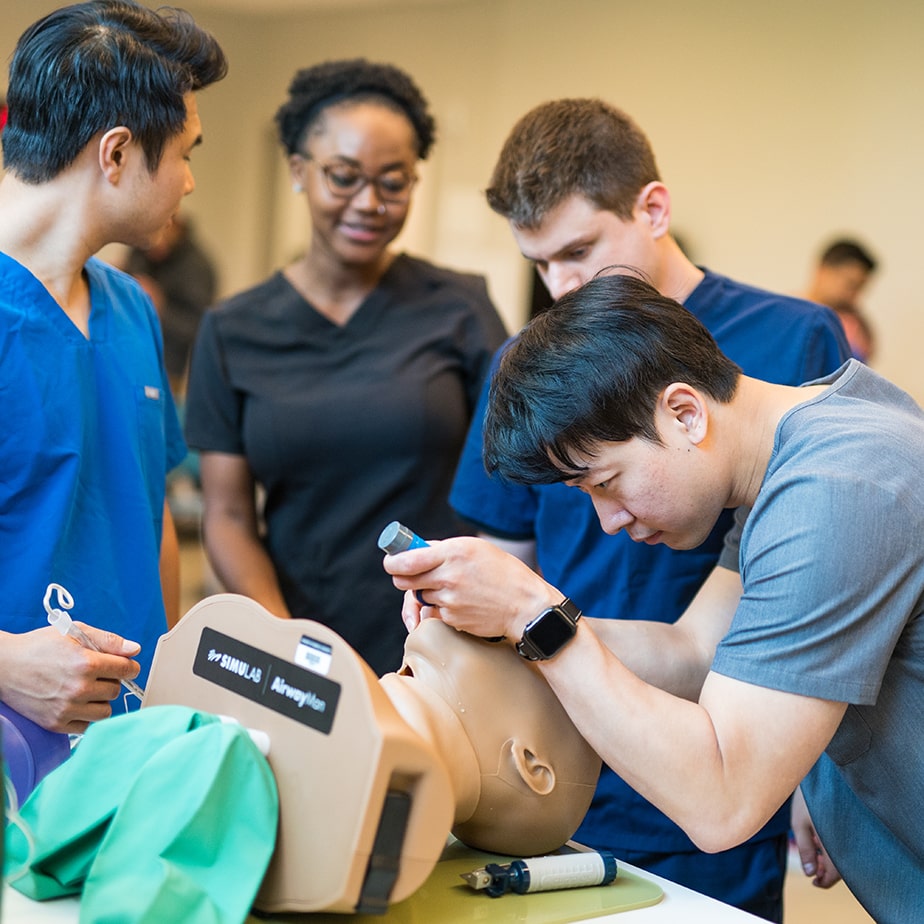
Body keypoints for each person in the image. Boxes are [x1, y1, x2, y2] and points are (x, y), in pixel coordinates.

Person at [385, 272, 924, 923]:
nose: (610, 521)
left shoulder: (837, 489)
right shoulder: (808, 445)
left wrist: (537, 619)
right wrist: (512, 622)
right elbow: (696, 652)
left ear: (685, 413)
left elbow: (722, 799)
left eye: (606, 482)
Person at [448, 98, 850, 920]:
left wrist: (824, 776)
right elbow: (512, 570)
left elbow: (831, 604)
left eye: (580, 252)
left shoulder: (798, 361)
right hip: (566, 744)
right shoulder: (527, 369)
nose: (560, 286)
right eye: (540, 265)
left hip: (728, 741)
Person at [184, 59, 507, 677]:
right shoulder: (232, 332)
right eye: (344, 177)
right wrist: (287, 642)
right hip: (297, 637)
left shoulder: (460, 308)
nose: (370, 204)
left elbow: (509, 487)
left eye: (394, 182)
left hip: (444, 639)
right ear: (299, 170)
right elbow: (226, 514)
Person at [0, 0, 227, 734]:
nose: (189, 183)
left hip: (121, 750)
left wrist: (165, 690)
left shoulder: (131, 309)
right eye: (187, 153)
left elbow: (147, 511)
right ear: (118, 153)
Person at [124, 212, 218, 398]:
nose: (153, 243)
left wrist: (159, 307)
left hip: (168, 368)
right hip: (129, 354)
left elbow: (198, 326)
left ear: (174, 227)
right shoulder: (143, 250)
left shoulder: (196, 268)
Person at [802, 237, 878, 362]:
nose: (854, 296)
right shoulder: (785, 314)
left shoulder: (855, 328)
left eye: (860, 288)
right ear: (823, 270)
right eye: (850, 284)